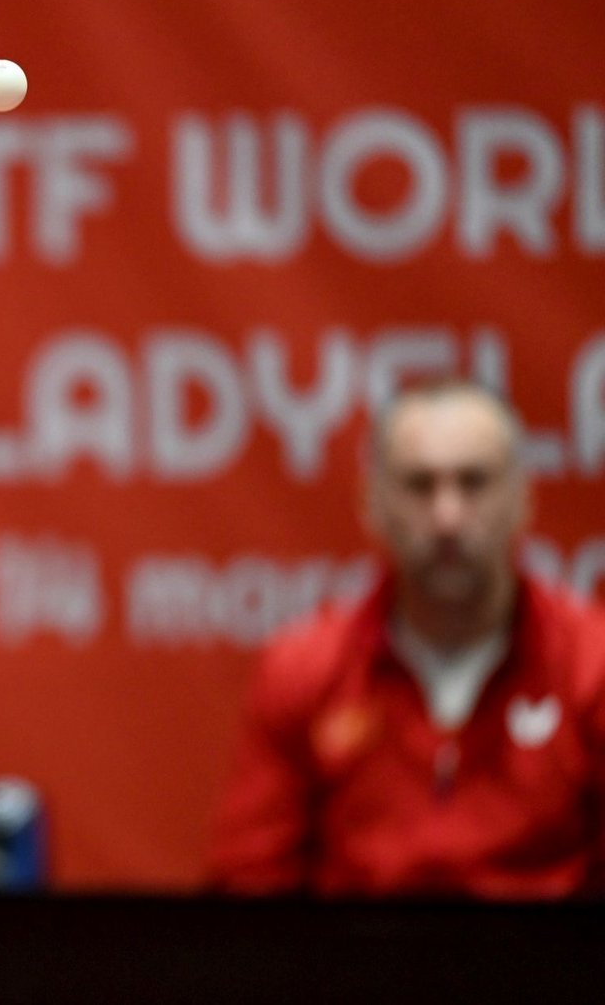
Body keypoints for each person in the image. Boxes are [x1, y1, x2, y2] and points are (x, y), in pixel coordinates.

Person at [208, 377, 605, 898]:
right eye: (420, 486)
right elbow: (249, 884)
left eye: (474, 483)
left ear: (524, 498)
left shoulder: (592, 665)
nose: (447, 517)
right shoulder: (304, 666)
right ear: (372, 503)